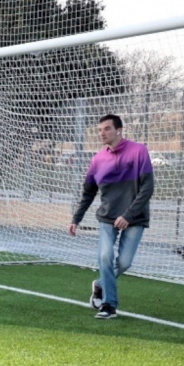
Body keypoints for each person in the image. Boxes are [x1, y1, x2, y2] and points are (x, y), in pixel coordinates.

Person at [68, 114, 154, 320]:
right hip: (107, 217)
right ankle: (109, 305)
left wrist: (128, 215)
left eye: (106, 129)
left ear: (119, 130)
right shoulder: (97, 159)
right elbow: (88, 193)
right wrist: (76, 219)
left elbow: (148, 188)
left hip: (135, 217)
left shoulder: (139, 151)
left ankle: (100, 284)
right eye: (99, 130)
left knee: (124, 263)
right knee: (105, 256)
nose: (102, 133)